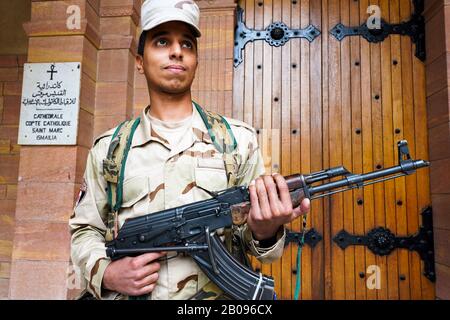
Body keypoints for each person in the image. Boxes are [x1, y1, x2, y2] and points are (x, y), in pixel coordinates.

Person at [69, 0, 310, 300]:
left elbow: (259, 248)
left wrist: (265, 230)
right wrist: (107, 274)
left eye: (187, 43)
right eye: (161, 41)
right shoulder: (111, 150)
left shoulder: (237, 141)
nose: (176, 51)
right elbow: (84, 232)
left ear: (195, 60)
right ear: (140, 60)